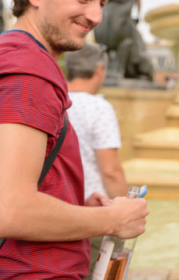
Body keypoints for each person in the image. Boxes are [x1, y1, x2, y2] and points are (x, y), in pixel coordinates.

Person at [0, 0, 148, 279]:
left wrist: (74, 207)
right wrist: (111, 220)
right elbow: (8, 211)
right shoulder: (27, 68)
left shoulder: (7, 54)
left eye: (102, 2)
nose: (96, 16)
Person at [65, 43, 128, 279]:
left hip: (58, 212)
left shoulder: (54, 101)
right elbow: (110, 170)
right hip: (95, 217)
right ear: (99, 70)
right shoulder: (98, 107)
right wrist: (124, 209)